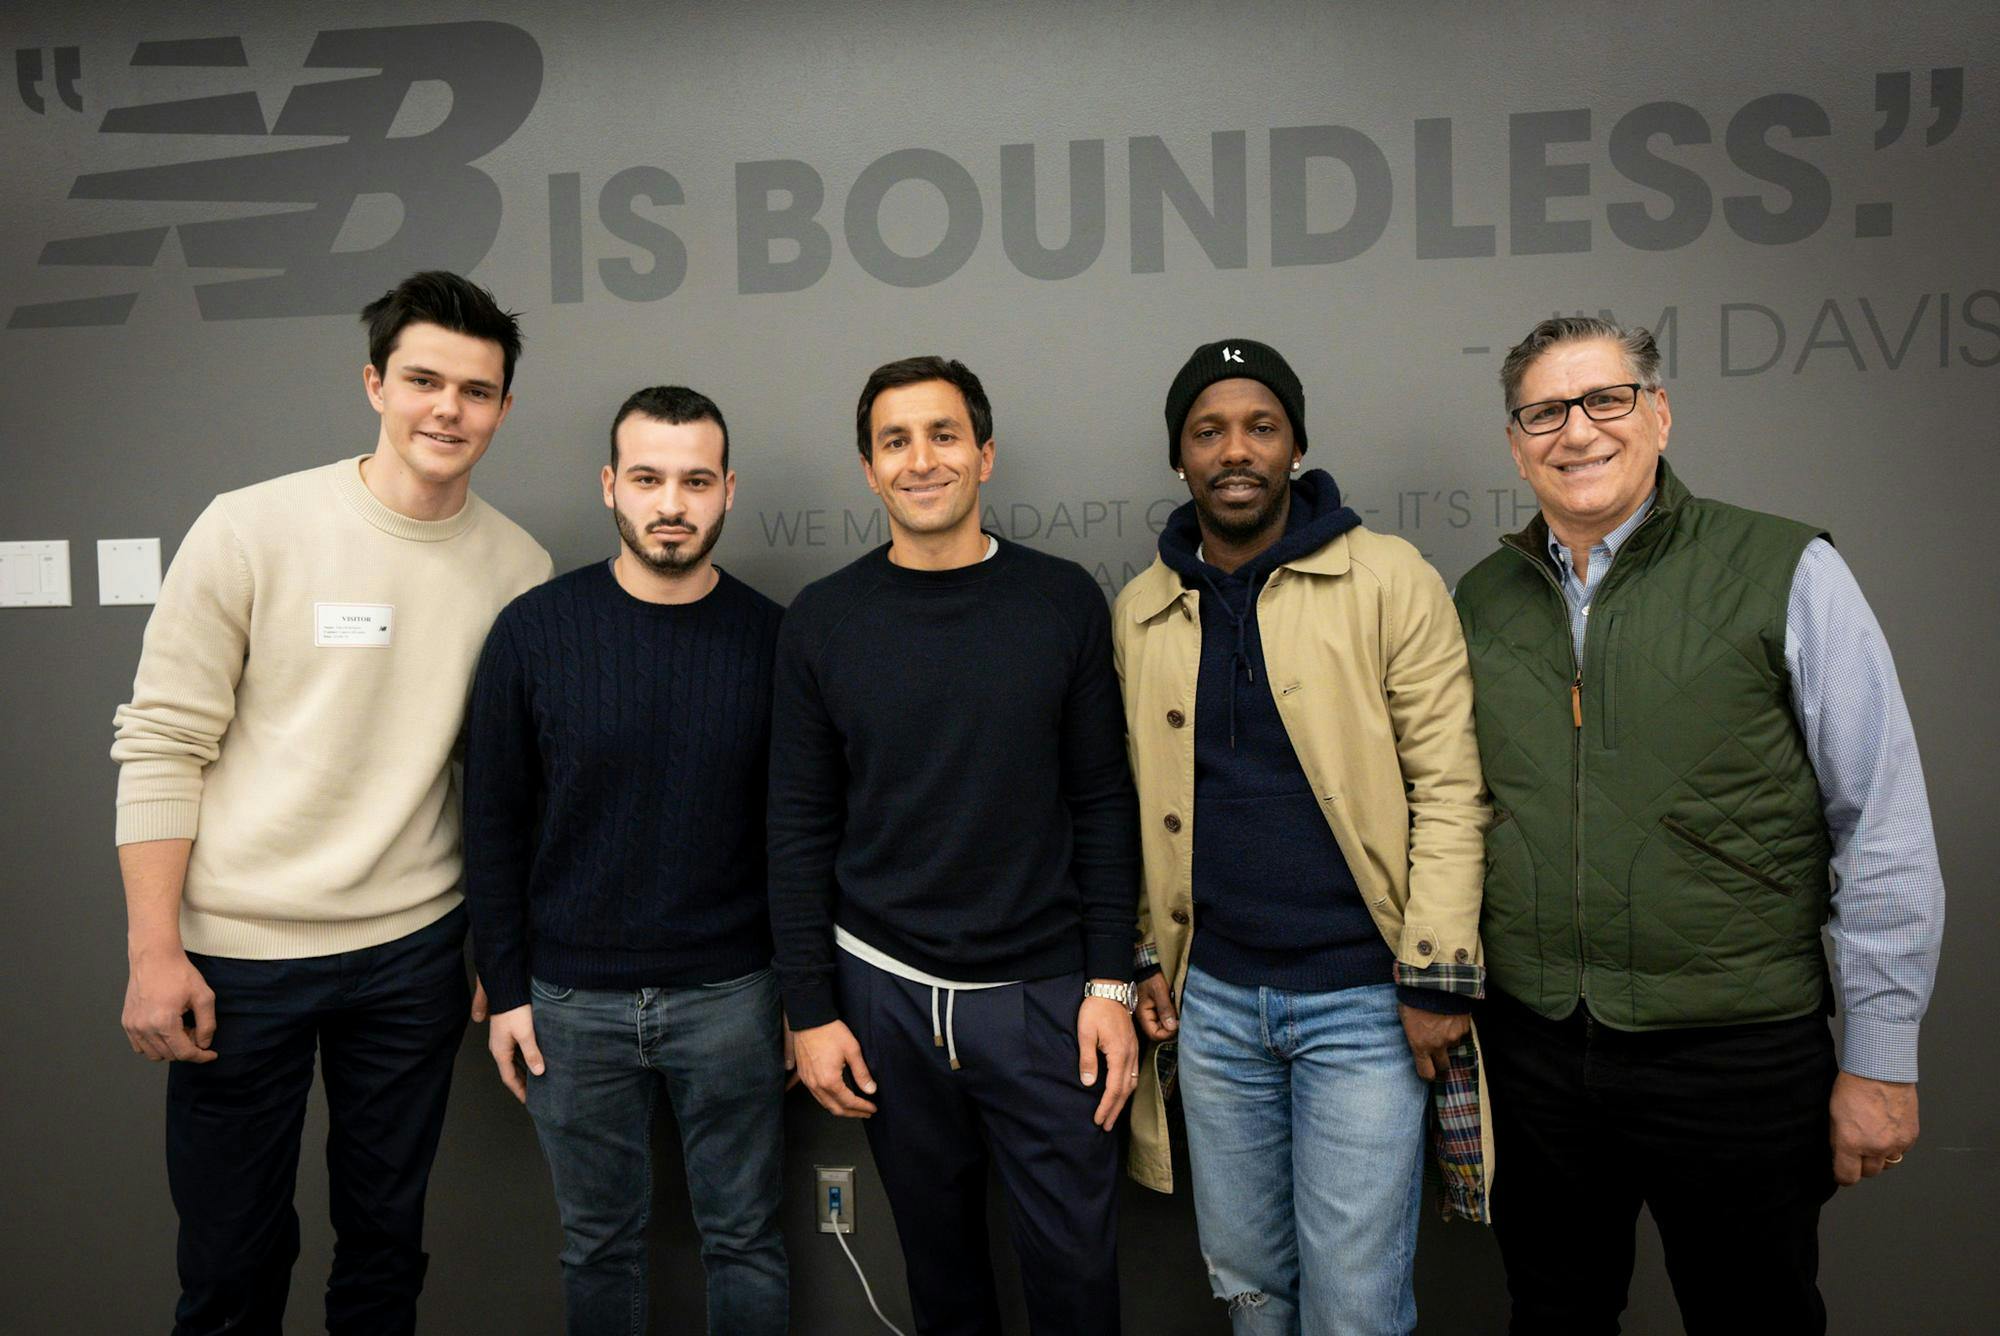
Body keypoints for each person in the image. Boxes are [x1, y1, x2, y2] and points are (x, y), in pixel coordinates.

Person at [1455, 315, 1946, 1333]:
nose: (1575, 431)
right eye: (1542, 411)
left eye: (1604, 399)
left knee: (1751, 1314)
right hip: (1537, 1048)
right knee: (1550, 1310)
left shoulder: (1782, 568)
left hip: (1732, 1049)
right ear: (1514, 442)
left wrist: (1880, 1055)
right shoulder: (1481, 599)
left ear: (1658, 413)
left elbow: (1882, 823)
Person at [111, 271, 551, 1335]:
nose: (448, 408)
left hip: (408, 956)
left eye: (476, 390)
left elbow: (505, 792)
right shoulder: (251, 527)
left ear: (503, 407)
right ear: (374, 384)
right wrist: (154, 949)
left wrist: (503, 955)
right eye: (423, 380)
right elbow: (163, 741)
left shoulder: (517, 569)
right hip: (236, 958)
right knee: (230, 1259)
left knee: (384, 1251)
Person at [1117, 339, 1492, 1335]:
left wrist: (1433, 977)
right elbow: (1128, 805)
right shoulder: (1143, 607)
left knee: (1353, 1306)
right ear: (1179, 455)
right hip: (1213, 1007)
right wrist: (1144, 955)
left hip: (1364, 1005)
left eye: (1258, 426)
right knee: (1247, 1287)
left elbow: (1451, 786)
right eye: (1207, 431)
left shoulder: (1387, 578)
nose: (1233, 449)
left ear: (1295, 446)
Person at [768, 356, 1140, 1336]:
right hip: (882, 997)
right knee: (942, 1284)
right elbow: (798, 827)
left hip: (1044, 999)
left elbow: (1103, 801)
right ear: (866, 468)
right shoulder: (821, 620)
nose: (919, 459)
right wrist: (808, 1008)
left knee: (1075, 1283)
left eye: (941, 435)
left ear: (982, 453)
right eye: (894, 440)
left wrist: (1109, 984)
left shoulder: (1058, 600)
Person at [461, 385, 788, 1335]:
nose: (671, 503)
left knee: (747, 1240)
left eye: (694, 481)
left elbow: (801, 835)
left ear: (728, 490)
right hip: (569, 1007)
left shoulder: (775, 640)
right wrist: (507, 985)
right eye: (647, 478)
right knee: (597, 1247)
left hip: (733, 998)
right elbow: (492, 822)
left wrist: (802, 998)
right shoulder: (533, 631)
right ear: (610, 486)